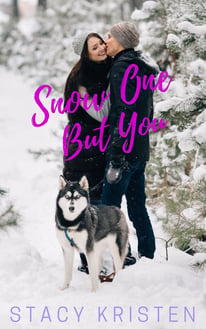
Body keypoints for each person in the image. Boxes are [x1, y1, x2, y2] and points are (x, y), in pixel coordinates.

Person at [101, 22, 158, 260]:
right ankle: (149, 254)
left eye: (110, 36)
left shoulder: (121, 68)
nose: (106, 40)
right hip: (139, 149)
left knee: (108, 209)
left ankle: (123, 255)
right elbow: (147, 111)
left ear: (122, 41)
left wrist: (116, 156)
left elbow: (123, 113)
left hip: (123, 151)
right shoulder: (141, 67)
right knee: (136, 206)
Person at [63, 32, 112, 274]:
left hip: (97, 146)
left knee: (102, 201)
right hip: (83, 149)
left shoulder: (104, 66)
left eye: (101, 42)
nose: (102, 48)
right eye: (95, 47)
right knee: (89, 203)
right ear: (86, 54)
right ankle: (87, 262)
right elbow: (100, 114)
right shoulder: (81, 79)